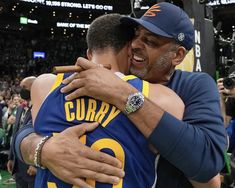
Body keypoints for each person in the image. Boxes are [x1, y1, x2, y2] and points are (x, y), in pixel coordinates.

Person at [15, 3, 224, 188]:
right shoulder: (91, 77)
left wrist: (124, 95)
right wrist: (43, 149)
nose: (134, 45)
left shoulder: (194, 85)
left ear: (177, 55)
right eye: (135, 36)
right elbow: (25, 134)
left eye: (150, 41)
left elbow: (207, 165)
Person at [7, 76, 37, 188]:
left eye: (24, 87)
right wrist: (11, 157)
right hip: (18, 165)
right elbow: (15, 134)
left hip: (31, 166)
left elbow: (43, 137)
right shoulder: (19, 108)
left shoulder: (40, 108)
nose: (21, 90)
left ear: (34, 88)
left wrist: (36, 165)